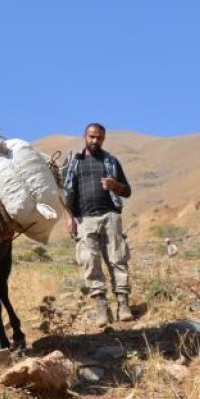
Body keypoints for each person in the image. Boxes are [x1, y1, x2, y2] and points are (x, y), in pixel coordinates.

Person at [63, 123, 133, 327]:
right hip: (85, 219)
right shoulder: (74, 163)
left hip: (110, 216)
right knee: (89, 261)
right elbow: (66, 194)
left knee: (117, 258)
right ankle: (101, 307)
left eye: (99, 138)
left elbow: (127, 191)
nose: (95, 141)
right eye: (92, 137)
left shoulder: (110, 161)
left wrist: (115, 185)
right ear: (84, 136)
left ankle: (123, 304)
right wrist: (69, 218)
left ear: (104, 139)